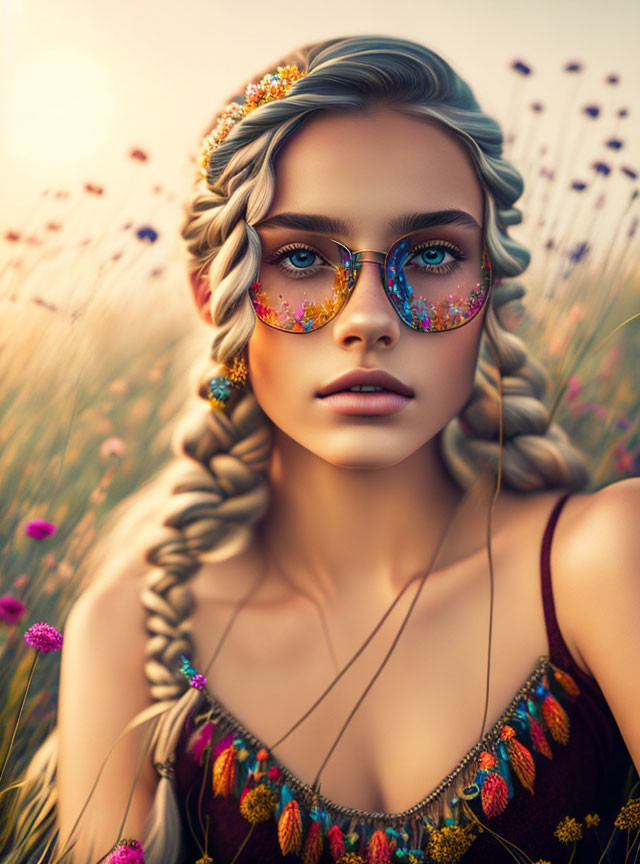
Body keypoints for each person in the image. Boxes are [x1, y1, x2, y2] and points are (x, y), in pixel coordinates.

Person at [5, 35, 638, 864]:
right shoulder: (131, 634)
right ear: (214, 297)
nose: (370, 315)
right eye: (303, 257)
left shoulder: (604, 559)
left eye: (434, 254)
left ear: (491, 288)